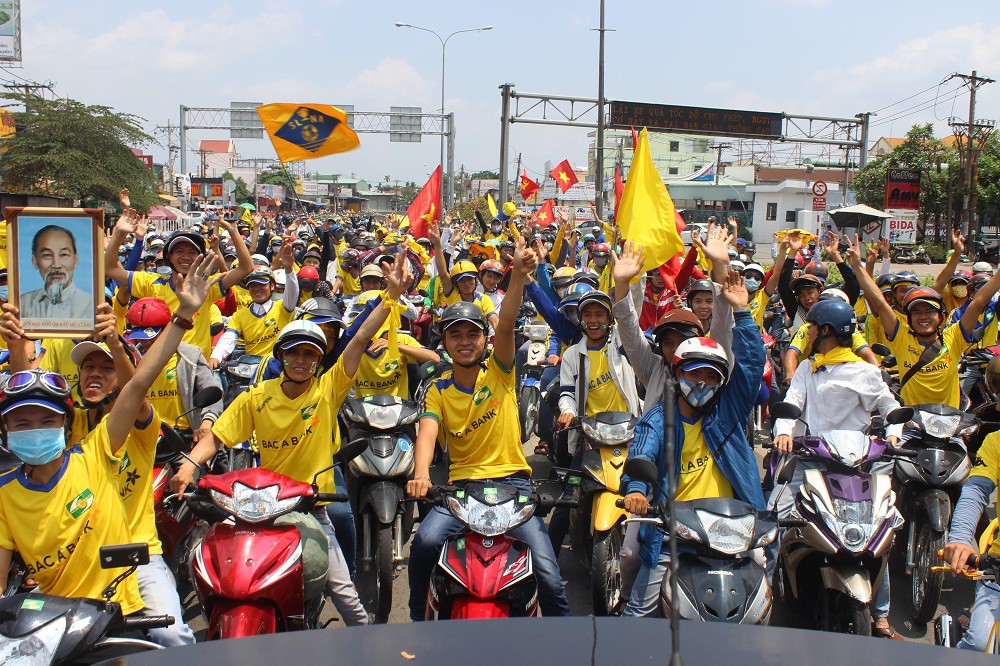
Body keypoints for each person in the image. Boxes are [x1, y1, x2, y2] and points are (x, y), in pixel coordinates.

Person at [171, 256, 413, 627]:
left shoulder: (328, 390)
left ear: (319, 360)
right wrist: (190, 464)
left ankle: (368, 645)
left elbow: (360, 337)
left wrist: (391, 296)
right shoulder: (257, 396)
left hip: (312, 505)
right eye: (294, 352)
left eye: (310, 354)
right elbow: (217, 436)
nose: (301, 360)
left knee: (346, 597)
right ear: (281, 356)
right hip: (261, 508)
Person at [0, 251, 214, 642]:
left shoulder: (111, 439)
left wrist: (178, 319)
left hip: (135, 557)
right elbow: (28, 402)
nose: (95, 375)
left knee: (173, 639)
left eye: (107, 368)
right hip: (66, 574)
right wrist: (17, 344)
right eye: (88, 368)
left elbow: (138, 386)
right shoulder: (69, 430)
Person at [406, 237, 571, 620]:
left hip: (514, 487)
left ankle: (567, 643)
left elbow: (509, 321)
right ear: (444, 342)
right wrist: (419, 475)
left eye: (472, 334)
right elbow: (427, 434)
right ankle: (417, 619)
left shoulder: (500, 373)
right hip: (461, 491)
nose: (464, 342)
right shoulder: (437, 391)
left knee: (548, 572)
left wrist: (517, 274)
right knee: (425, 543)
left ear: (485, 340)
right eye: (455, 335)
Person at [620, 271, 766, 617]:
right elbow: (641, 454)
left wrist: (743, 313)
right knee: (636, 614)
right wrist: (638, 490)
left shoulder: (727, 414)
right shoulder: (658, 419)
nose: (701, 383)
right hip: (675, 533)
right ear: (678, 372)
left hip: (730, 531)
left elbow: (751, 366)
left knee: (762, 581)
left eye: (711, 376)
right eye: (694, 373)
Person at [771, 298, 904, 638]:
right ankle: (767, 595)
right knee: (776, 512)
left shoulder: (866, 372)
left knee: (878, 531)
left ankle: (882, 614)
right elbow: (792, 403)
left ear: (825, 331)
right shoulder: (807, 368)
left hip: (860, 462)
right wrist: (785, 432)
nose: (809, 333)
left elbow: (889, 405)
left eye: (812, 327)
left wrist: (893, 433)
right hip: (813, 456)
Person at [848, 235, 1000, 408]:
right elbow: (880, 303)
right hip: (911, 423)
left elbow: (979, 301)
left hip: (949, 423)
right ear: (909, 318)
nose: (923, 316)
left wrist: (958, 253)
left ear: (942, 317)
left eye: (929, 311)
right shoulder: (901, 337)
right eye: (917, 312)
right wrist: (857, 266)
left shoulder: (954, 338)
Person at [105, 209, 254, 360]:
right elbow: (110, 268)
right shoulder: (152, 282)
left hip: (195, 370)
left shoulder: (207, 285)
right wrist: (119, 233)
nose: (186, 257)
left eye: (192, 253)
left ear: (200, 257)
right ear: (169, 256)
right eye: (180, 251)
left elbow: (246, 268)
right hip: (158, 368)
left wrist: (233, 231)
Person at [941, 426, 1000, 651]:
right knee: (980, 645)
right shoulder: (996, 441)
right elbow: (976, 491)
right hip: (997, 566)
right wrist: (961, 538)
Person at [20, 224, 94, 321]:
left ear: (75, 260)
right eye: (47, 255)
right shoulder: (23, 304)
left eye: (63, 255)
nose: (56, 264)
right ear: (35, 261)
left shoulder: (91, 305)